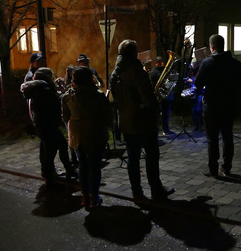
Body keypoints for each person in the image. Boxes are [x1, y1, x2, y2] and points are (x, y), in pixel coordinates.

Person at [110, 39, 175, 200]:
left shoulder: (114, 73)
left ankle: (136, 191)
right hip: (143, 121)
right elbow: (148, 99)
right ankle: (156, 189)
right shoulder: (137, 72)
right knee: (152, 156)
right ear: (133, 53)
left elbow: (117, 97)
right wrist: (156, 108)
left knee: (133, 158)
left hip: (126, 121)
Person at [195, 34, 241, 177]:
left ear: (212, 47)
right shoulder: (234, 63)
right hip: (228, 106)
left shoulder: (207, 63)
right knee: (227, 137)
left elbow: (197, 84)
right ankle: (226, 167)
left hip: (211, 106)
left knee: (212, 139)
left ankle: (213, 169)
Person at [62, 66, 113, 209]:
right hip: (95, 133)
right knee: (95, 166)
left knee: (82, 165)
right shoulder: (98, 95)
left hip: (76, 134)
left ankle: (85, 196)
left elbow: (65, 117)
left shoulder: (67, 96)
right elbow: (108, 117)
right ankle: (94, 197)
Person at [20, 67, 76, 189]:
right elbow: (51, 105)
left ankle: (67, 171)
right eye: (50, 76)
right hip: (47, 125)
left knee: (59, 146)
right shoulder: (42, 90)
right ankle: (49, 179)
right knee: (50, 152)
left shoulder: (37, 89)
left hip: (42, 125)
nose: (52, 79)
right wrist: (60, 96)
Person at [149, 56, 175, 136]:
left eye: (161, 61)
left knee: (166, 114)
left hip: (167, 95)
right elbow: (159, 79)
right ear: (155, 63)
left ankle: (166, 129)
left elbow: (172, 78)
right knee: (159, 114)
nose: (160, 63)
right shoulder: (153, 72)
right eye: (158, 62)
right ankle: (157, 130)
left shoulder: (166, 70)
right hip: (159, 96)